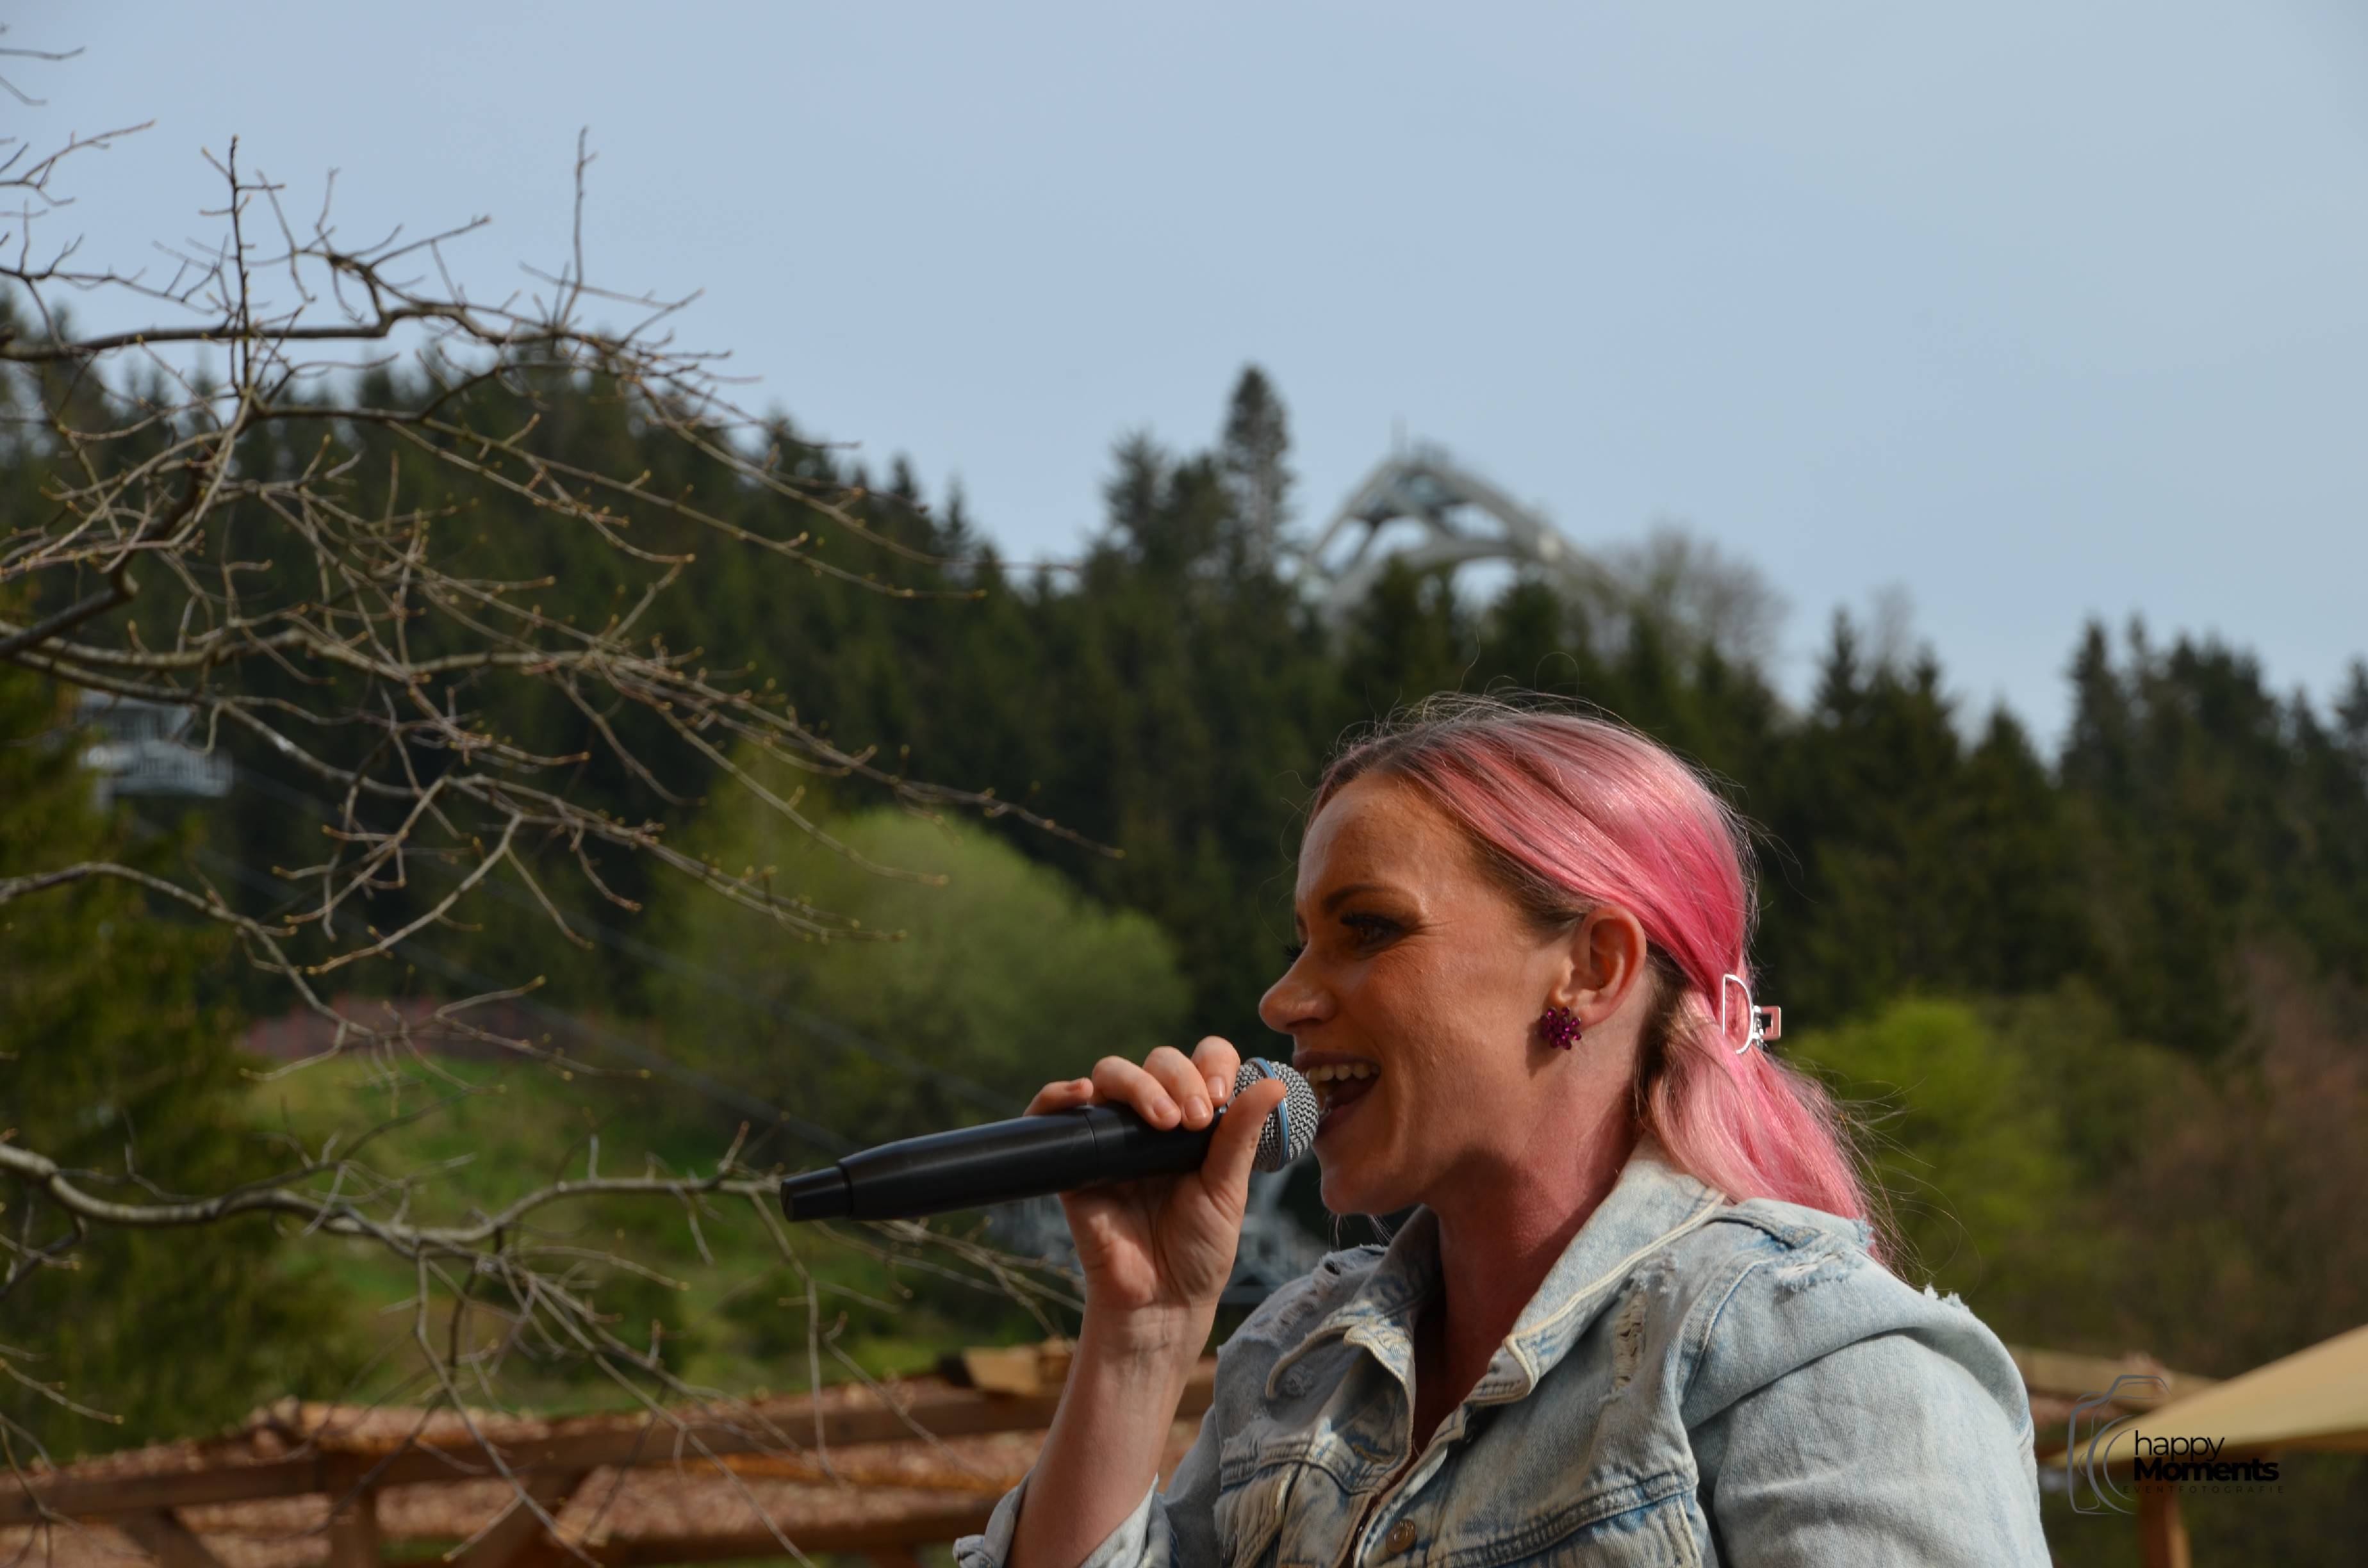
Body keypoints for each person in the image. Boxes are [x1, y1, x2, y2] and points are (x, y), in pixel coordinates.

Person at [955, 695, 2050, 1568]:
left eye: (1367, 930)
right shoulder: (1296, 1368)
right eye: (1298, 944)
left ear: (1591, 968)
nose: (1284, 1001)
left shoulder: (1821, 1369)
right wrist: (1143, 1335)